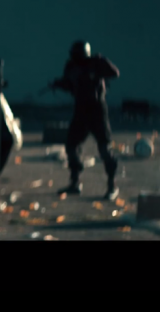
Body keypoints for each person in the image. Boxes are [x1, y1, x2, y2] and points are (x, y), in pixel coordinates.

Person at [49, 40, 120, 201]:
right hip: (81, 110)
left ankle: (112, 185)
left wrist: (101, 63)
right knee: (71, 146)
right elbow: (69, 84)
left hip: (97, 110)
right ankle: (75, 182)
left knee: (104, 148)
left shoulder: (95, 63)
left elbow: (114, 73)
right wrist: (58, 84)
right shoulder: (71, 67)